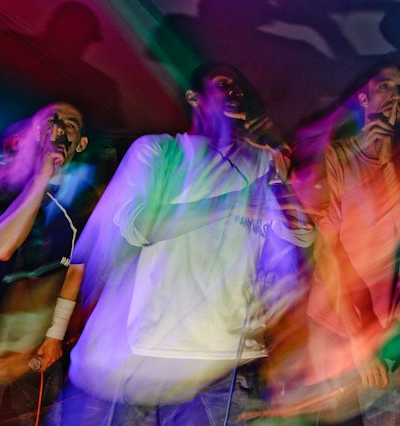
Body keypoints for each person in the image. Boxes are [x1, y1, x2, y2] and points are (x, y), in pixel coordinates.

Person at [66, 62, 314, 425]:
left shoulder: (262, 163)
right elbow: (140, 227)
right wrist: (236, 201)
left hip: (222, 366)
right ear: (195, 98)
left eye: (239, 88)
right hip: (142, 360)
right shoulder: (161, 151)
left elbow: (302, 237)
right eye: (223, 85)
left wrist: (282, 178)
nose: (235, 93)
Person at [0, 102, 94, 425]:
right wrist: (41, 175)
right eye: (51, 121)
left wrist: (53, 336)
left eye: (70, 125)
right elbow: (0, 249)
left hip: (30, 344)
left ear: (81, 143)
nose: (60, 129)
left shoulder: (72, 205)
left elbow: (72, 272)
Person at [305, 58, 400, 424]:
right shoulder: (334, 156)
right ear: (364, 98)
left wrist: (387, 161)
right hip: (336, 321)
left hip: (388, 325)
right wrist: (358, 342)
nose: (396, 95)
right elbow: (326, 253)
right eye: (386, 86)